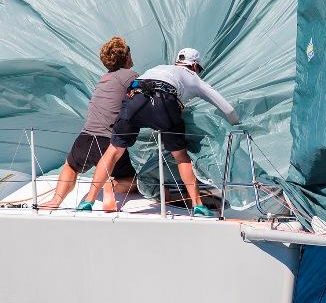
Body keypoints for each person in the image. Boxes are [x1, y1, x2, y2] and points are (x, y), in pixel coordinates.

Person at [78, 48, 239, 216]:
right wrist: (238, 125)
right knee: (181, 156)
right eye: (199, 69)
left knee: (113, 151)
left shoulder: (159, 68)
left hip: (134, 96)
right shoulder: (194, 78)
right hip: (164, 101)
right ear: (193, 66)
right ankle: (198, 206)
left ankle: (88, 201)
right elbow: (227, 109)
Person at [40, 37, 138, 211]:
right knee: (134, 181)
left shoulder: (104, 78)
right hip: (108, 142)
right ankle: (109, 186)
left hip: (85, 138)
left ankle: (56, 200)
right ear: (126, 56)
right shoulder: (130, 76)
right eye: (129, 52)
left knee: (70, 166)